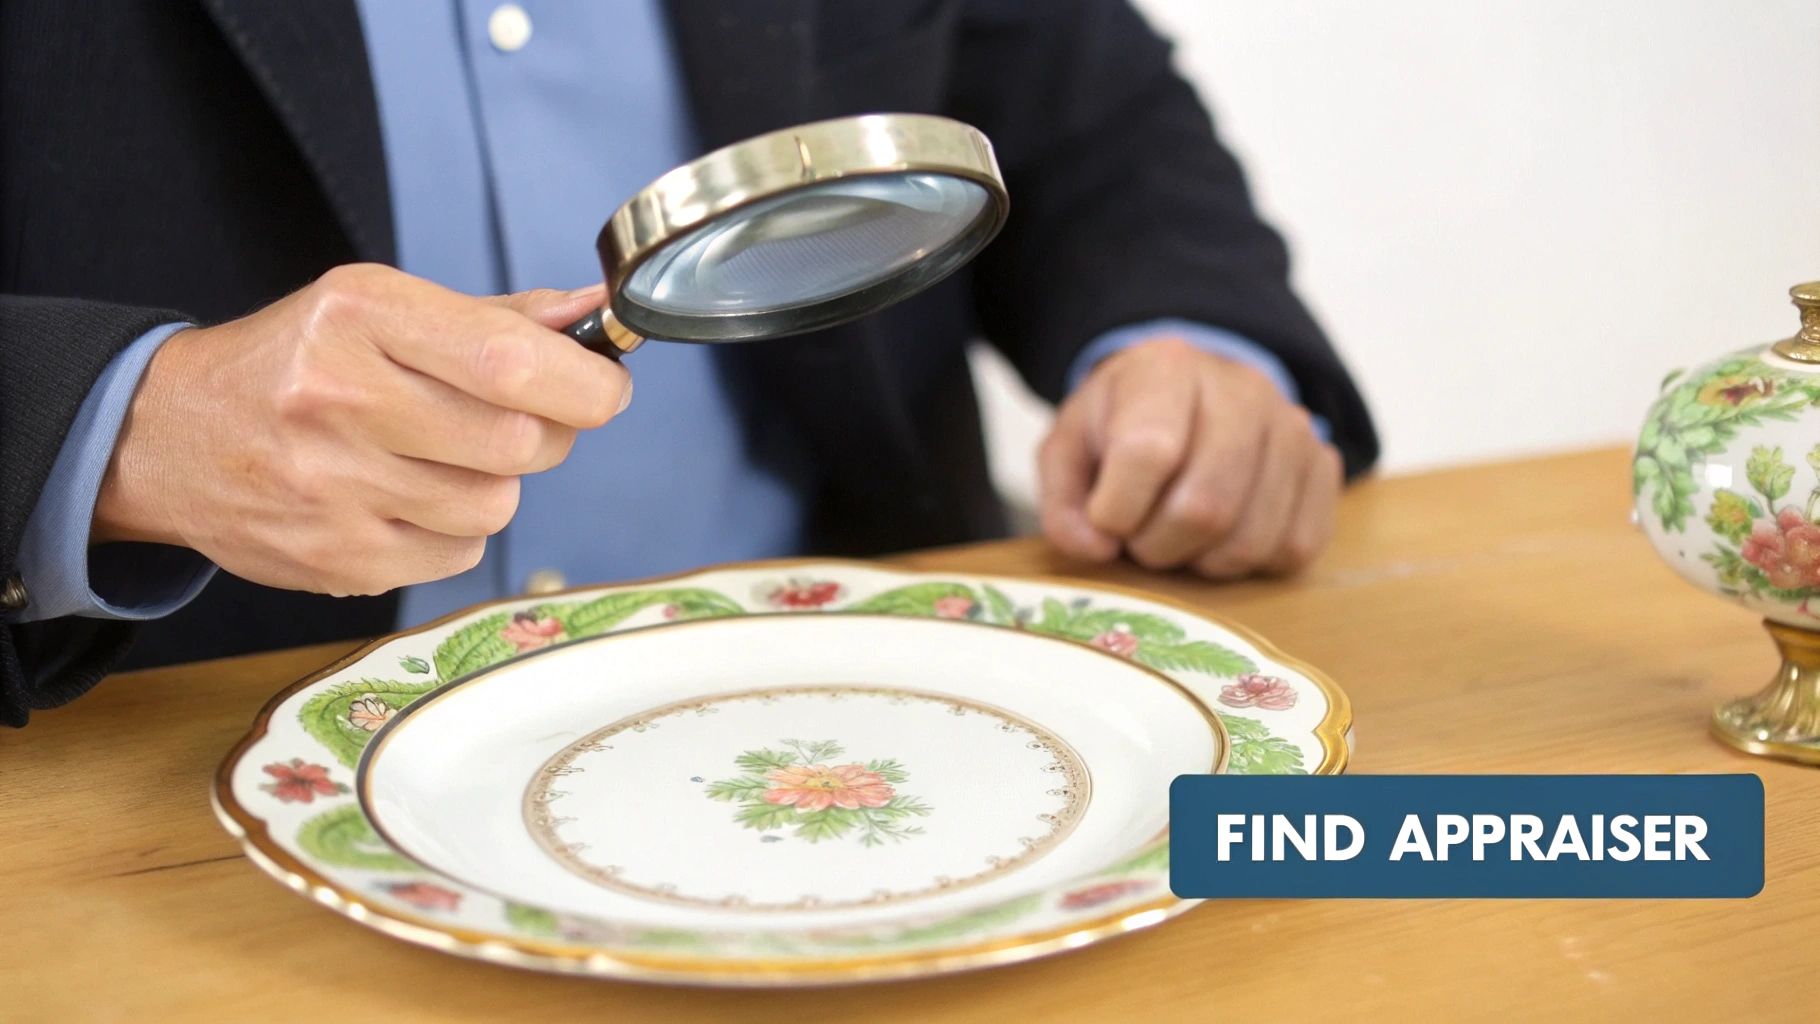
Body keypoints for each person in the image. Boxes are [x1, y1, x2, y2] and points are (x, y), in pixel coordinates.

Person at [0, 0, 1378, 726]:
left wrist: (1192, 349)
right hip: (172, 769)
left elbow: (1090, 111)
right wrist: (117, 432)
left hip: (864, 713)